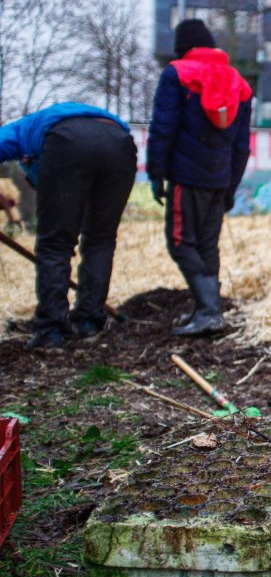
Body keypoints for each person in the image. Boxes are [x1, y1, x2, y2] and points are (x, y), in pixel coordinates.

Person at [0, 103, 136, 349]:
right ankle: (89, 321)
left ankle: (51, 330)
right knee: (101, 239)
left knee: (54, 244)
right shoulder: (49, 123)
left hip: (68, 142)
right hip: (120, 143)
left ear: (29, 160)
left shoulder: (21, 131)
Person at [148, 18, 252, 336]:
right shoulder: (240, 83)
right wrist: (231, 186)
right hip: (219, 180)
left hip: (186, 177)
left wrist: (156, 173)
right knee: (207, 245)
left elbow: (163, 128)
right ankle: (204, 309)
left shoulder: (177, 74)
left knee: (181, 243)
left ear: (182, 48)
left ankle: (209, 312)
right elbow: (242, 144)